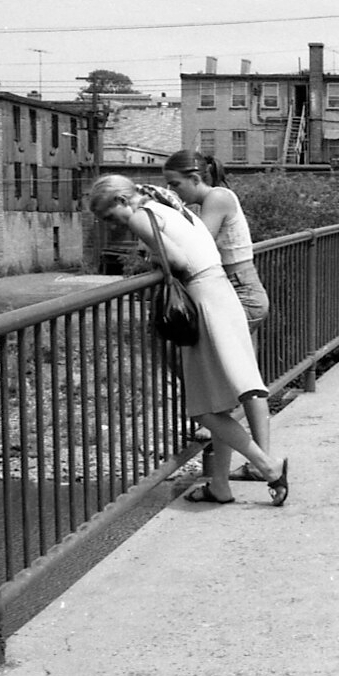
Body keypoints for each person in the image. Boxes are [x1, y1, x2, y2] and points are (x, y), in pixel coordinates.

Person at [89, 174, 288, 507]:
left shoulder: (141, 216)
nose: (113, 225)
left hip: (203, 300)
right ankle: (220, 486)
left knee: (204, 410)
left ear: (122, 202)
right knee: (220, 401)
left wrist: (153, 261)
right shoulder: (168, 206)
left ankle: (269, 467)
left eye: (110, 217)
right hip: (221, 292)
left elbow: (178, 261)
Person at [161, 150, 272, 482]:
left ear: (196, 179)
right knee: (245, 379)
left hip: (239, 292)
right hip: (239, 291)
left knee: (234, 381)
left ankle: (242, 456)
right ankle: (255, 460)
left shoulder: (218, 198)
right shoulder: (214, 199)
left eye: (175, 184)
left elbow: (199, 246)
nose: (173, 191)